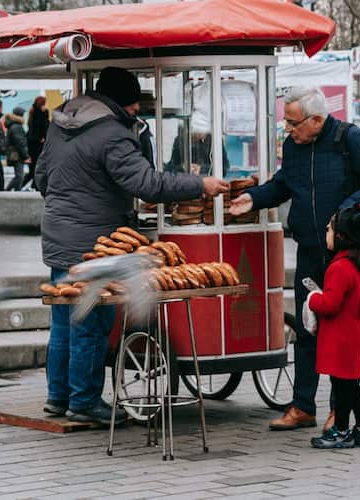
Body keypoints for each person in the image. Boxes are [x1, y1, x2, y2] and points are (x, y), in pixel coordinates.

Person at [35, 66, 230, 423]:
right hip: (95, 242)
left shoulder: (60, 123)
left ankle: (57, 397)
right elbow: (147, 184)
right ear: (120, 103)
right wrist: (200, 186)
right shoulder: (112, 133)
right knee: (91, 323)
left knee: (64, 318)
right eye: (134, 104)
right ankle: (84, 403)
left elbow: (41, 178)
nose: (138, 111)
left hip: (58, 234)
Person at [228, 86, 360, 431]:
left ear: (317, 119)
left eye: (293, 123)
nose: (288, 131)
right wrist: (254, 198)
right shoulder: (294, 146)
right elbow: (284, 184)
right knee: (307, 327)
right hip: (309, 249)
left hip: (348, 257)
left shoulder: (350, 140)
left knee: (341, 335)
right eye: (285, 124)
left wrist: (345, 212)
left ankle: (340, 409)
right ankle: (303, 405)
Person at [306, 205, 360, 449]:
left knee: (341, 386)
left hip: (340, 337)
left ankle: (341, 430)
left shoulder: (339, 268)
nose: (325, 233)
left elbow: (330, 304)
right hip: (354, 334)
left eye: (329, 230)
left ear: (341, 236)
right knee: (352, 384)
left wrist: (313, 298)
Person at [25, 96, 50, 187]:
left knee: (36, 168)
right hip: (36, 146)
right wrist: (41, 138)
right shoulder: (38, 115)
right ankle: (30, 185)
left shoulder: (35, 113)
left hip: (35, 146)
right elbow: (42, 128)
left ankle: (34, 185)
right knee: (36, 168)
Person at [3, 106, 30, 191]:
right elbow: (20, 143)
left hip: (14, 154)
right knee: (19, 176)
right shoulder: (17, 126)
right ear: (20, 115)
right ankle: (8, 192)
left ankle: (15, 192)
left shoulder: (13, 125)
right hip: (16, 154)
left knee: (19, 176)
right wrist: (26, 156)